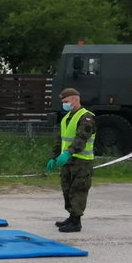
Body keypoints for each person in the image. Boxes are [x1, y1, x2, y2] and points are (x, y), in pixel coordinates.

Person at [45, 87, 96, 233]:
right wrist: (53, 157)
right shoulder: (67, 117)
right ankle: (71, 216)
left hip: (82, 161)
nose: (64, 104)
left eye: (66, 101)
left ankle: (76, 221)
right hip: (67, 161)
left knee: (78, 189)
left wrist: (69, 153)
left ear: (75, 99)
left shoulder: (86, 117)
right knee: (67, 188)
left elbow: (81, 139)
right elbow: (60, 140)